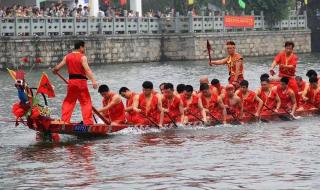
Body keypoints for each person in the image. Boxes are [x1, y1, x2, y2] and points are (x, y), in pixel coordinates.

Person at [52, 40, 98, 125]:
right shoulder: (82, 57)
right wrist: (93, 81)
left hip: (71, 82)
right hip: (81, 82)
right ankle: (88, 122)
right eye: (84, 47)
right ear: (80, 47)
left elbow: (57, 67)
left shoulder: (67, 56)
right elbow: (87, 70)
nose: (84, 49)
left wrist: (55, 70)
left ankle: (65, 121)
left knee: (69, 101)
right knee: (85, 102)